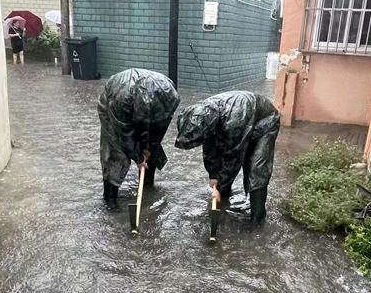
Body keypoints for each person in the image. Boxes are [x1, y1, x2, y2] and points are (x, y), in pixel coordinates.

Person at [175, 91, 281, 227]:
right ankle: (223, 198)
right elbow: (210, 148)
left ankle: (257, 220)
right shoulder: (203, 116)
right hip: (240, 120)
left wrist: (221, 183)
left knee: (257, 168)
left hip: (265, 122)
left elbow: (233, 157)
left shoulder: (234, 121)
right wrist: (213, 176)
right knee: (222, 175)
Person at [98, 69, 180, 210]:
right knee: (117, 154)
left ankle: (147, 185)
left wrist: (149, 147)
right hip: (112, 107)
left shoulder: (169, 95)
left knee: (151, 149)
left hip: (142, 101)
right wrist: (138, 158)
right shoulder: (121, 101)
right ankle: (109, 199)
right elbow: (125, 134)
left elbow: (161, 125)